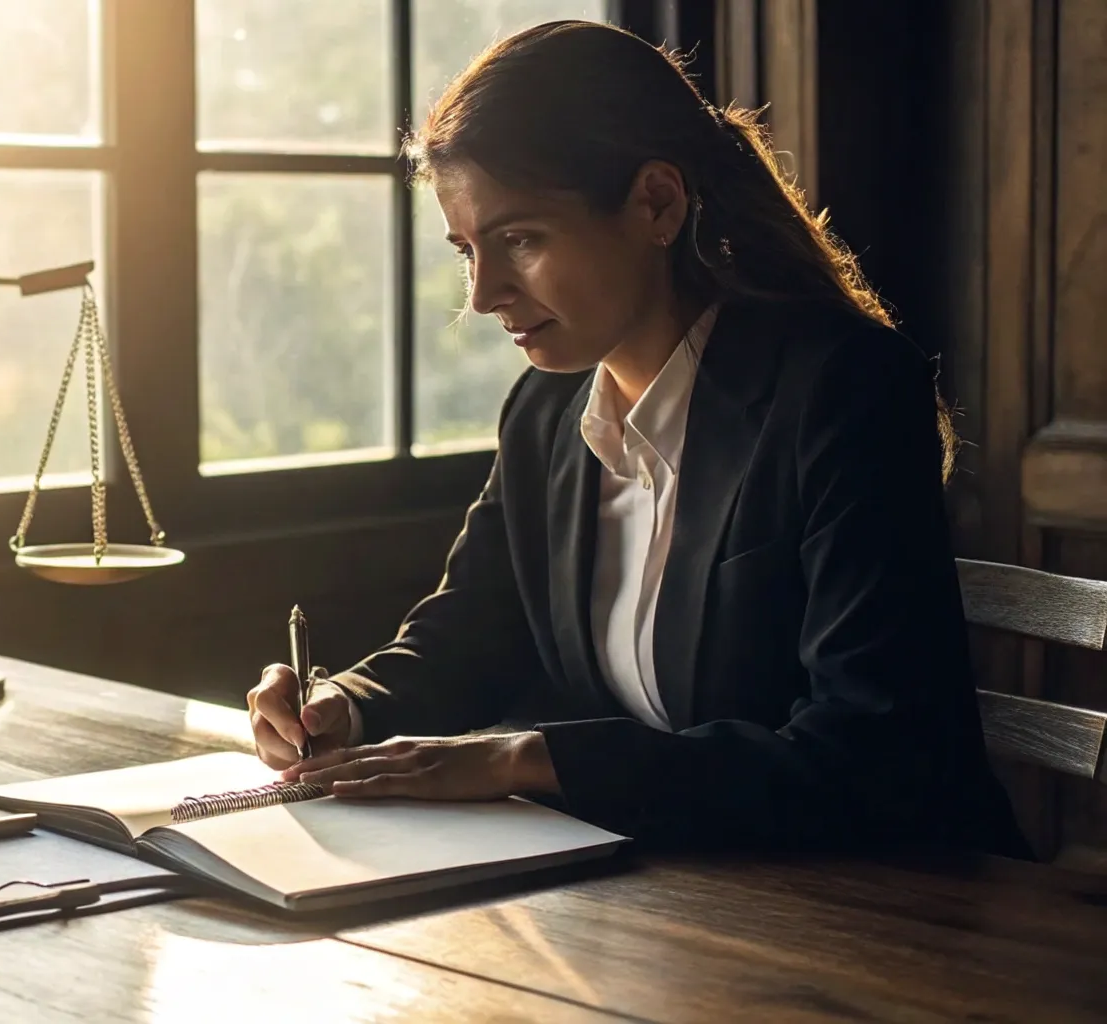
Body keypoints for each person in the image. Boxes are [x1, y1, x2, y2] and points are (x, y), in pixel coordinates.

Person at [247, 21, 1026, 855]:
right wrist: (347, 704)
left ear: (656, 201)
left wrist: (532, 759)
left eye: (521, 240)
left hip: (895, 907)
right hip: (682, 896)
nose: (483, 296)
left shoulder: (842, 391)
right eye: (467, 250)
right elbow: (472, 631)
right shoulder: (545, 416)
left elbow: (873, 751)